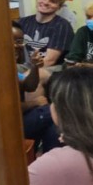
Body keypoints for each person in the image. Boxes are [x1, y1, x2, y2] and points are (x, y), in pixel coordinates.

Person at [13, 21, 60, 153]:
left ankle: (49, 162)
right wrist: (33, 103)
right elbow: (5, 110)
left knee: (53, 125)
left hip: (22, 119)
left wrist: (34, 66)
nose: (17, 46)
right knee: (55, 112)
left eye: (19, 41)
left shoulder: (13, 67)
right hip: (8, 128)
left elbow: (29, 86)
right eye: (13, 41)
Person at [18, 0, 74, 68]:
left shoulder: (62, 25)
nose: (46, 2)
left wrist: (29, 73)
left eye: (53, 1)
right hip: (27, 65)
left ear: (59, 7)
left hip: (52, 68)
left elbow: (50, 61)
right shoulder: (23, 22)